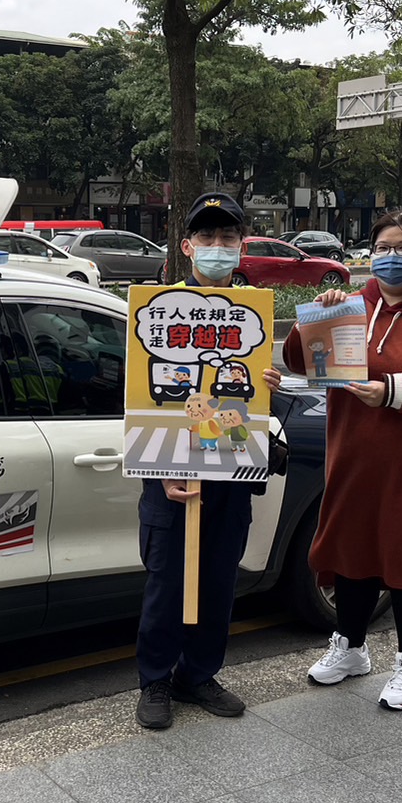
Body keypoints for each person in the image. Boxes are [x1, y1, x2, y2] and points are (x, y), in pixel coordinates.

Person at [264, 210, 402, 711]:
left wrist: (392, 391)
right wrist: (313, 319)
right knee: (352, 553)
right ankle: (350, 648)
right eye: (383, 248)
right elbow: (300, 362)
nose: (392, 257)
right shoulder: (353, 305)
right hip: (354, 457)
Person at [136, 192, 261, 730]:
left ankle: (199, 675)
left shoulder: (255, 313)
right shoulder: (160, 311)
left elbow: (251, 402)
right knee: (168, 584)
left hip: (231, 472)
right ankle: (155, 680)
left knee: (218, 581)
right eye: (206, 237)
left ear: (241, 245)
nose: (217, 246)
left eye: (227, 237)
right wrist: (162, 470)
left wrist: (268, 384)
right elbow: (141, 399)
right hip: (171, 475)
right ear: (187, 247)